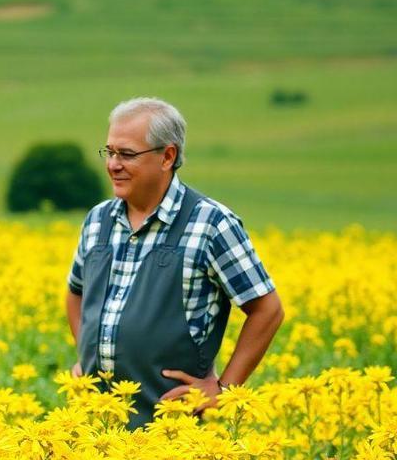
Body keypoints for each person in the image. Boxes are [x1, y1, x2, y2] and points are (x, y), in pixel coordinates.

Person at [66, 97, 284, 430]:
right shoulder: (98, 220)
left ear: (167, 156)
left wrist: (224, 390)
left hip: (174, 435)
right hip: (96, 427)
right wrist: (88, 356)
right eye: (109, 152)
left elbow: (268, 308)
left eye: (126, 154)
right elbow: (76, 292)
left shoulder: (211, 224)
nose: (113, 164)